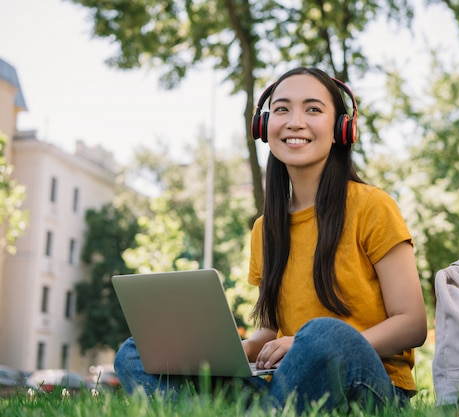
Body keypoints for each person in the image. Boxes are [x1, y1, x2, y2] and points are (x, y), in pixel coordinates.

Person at [114, 67, 427, 414]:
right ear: (264, 128)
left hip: (370, 387)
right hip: (282, 384)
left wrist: (306, 344)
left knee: (324, 334)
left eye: (313, 109)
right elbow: (271, 331)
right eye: (281, 109)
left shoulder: (372, 206)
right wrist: (230, 351)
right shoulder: (265, 228)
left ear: (341, 128)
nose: (295, 121)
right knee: (139, 350)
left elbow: (412, 323)